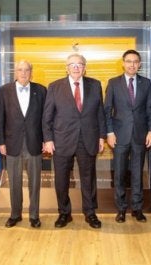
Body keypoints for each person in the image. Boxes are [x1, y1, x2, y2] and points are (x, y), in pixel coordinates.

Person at [43, 53, 106, 229]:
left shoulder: (95, 85)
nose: (76, 67)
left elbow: (100, 113)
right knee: (61, 179)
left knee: (88, 178)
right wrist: (48, 139)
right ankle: (64, 213)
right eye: (73, 64)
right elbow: (47, 116)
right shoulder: (54, 87)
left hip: (88, 138)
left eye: (80, 64)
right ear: (67, 67)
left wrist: (101, 136)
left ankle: (90, 213)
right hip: (62, 140)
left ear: (85, 68)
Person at [104, 49, 151, 223]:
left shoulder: (146, 83)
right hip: (119, 137)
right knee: (119, 174)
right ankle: (121, 209)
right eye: (129, 61)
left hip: (140, 136)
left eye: (135, 61)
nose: (132, 64)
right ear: (123, 63)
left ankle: (137, 208)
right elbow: (107, 111)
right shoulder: (113, 83)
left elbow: (150, 109)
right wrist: (109, 133)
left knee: (137, 174)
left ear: (139, 64)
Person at [0, 60, 46, 228]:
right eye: (20, 70)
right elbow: (0, 118)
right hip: (12, 144)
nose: (23, 73)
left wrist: (46, 140)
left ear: (31, 72)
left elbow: (45, 119)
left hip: (34, 143)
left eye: (26, 70)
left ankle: (34, 215)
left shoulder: (41, 90)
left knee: (35, 183)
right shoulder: (4, 91)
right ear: (15, 72)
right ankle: (15, 214)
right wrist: (1, 142)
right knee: (14, 182)